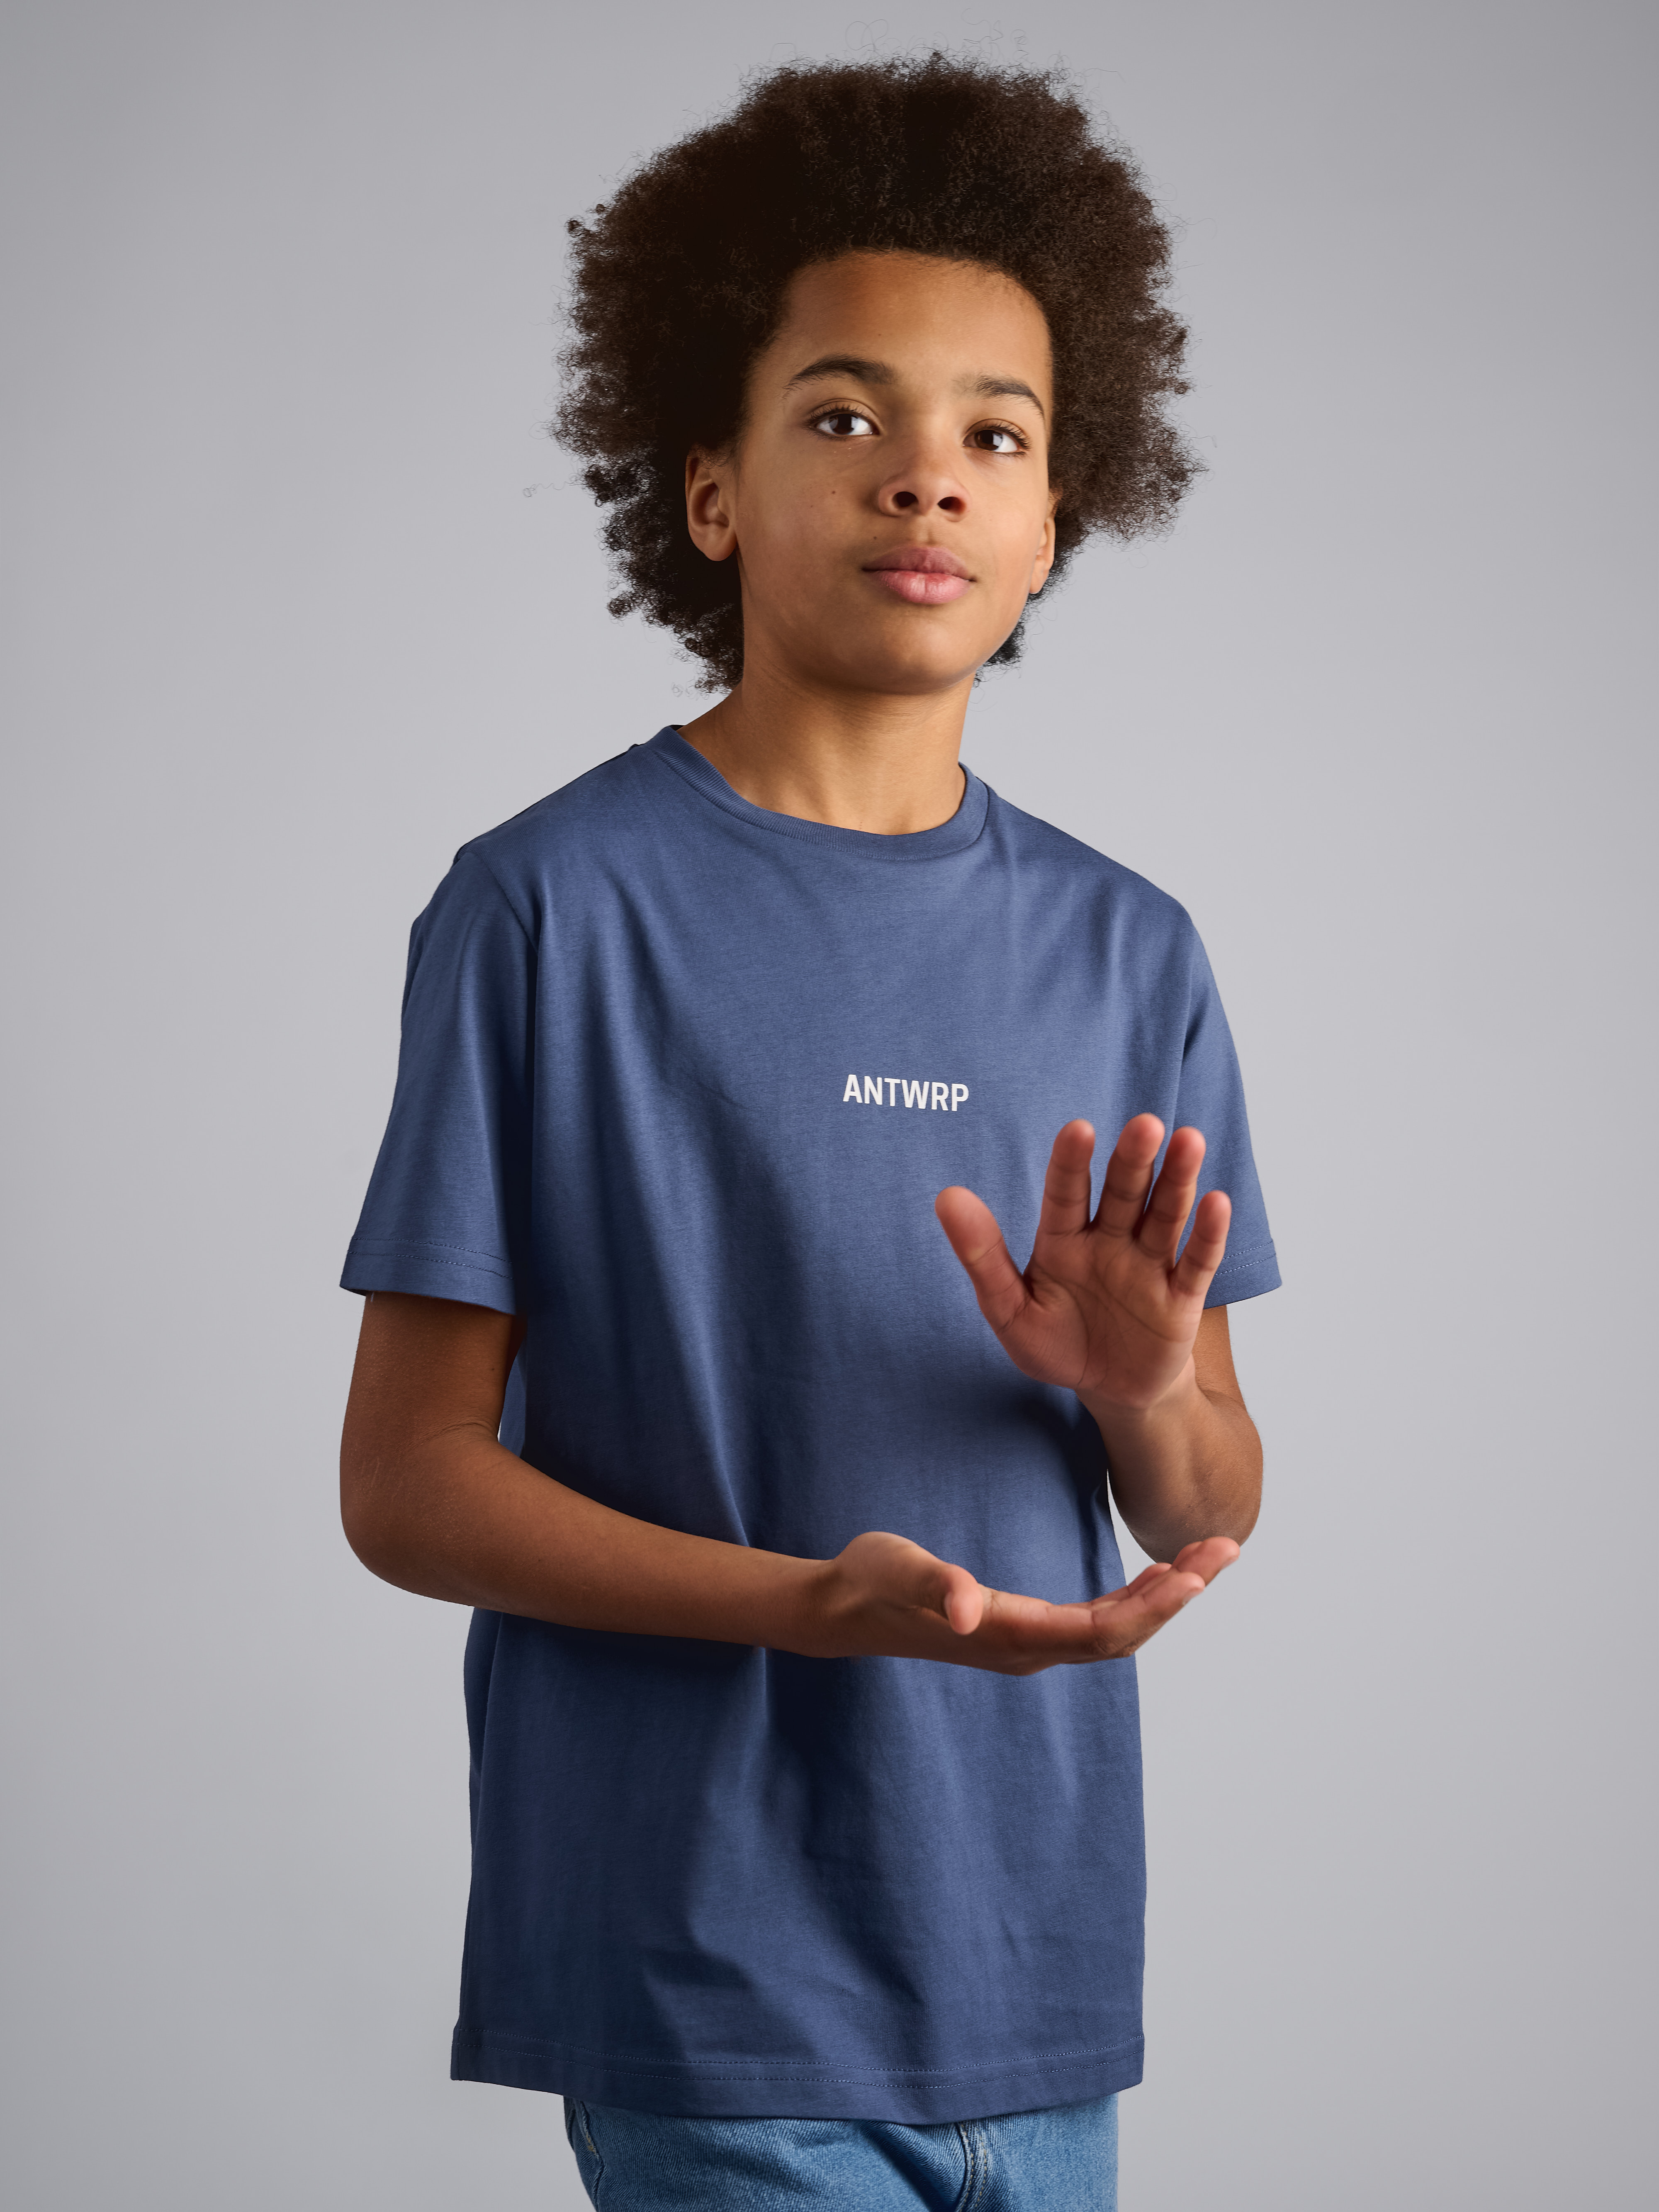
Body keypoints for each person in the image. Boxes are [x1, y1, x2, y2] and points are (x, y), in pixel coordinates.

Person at [339, 53, 1279, 2212]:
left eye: (995, 437)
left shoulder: (1132, 948)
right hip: (708, 1975)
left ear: (1054, 526)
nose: (925, 476)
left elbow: (1211, 1498)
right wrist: (803, 1603)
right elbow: (406, 1482)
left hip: (1035, 1976)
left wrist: (1147, 1394)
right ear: (710, 491)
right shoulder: (548, 909)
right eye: (846, 417)